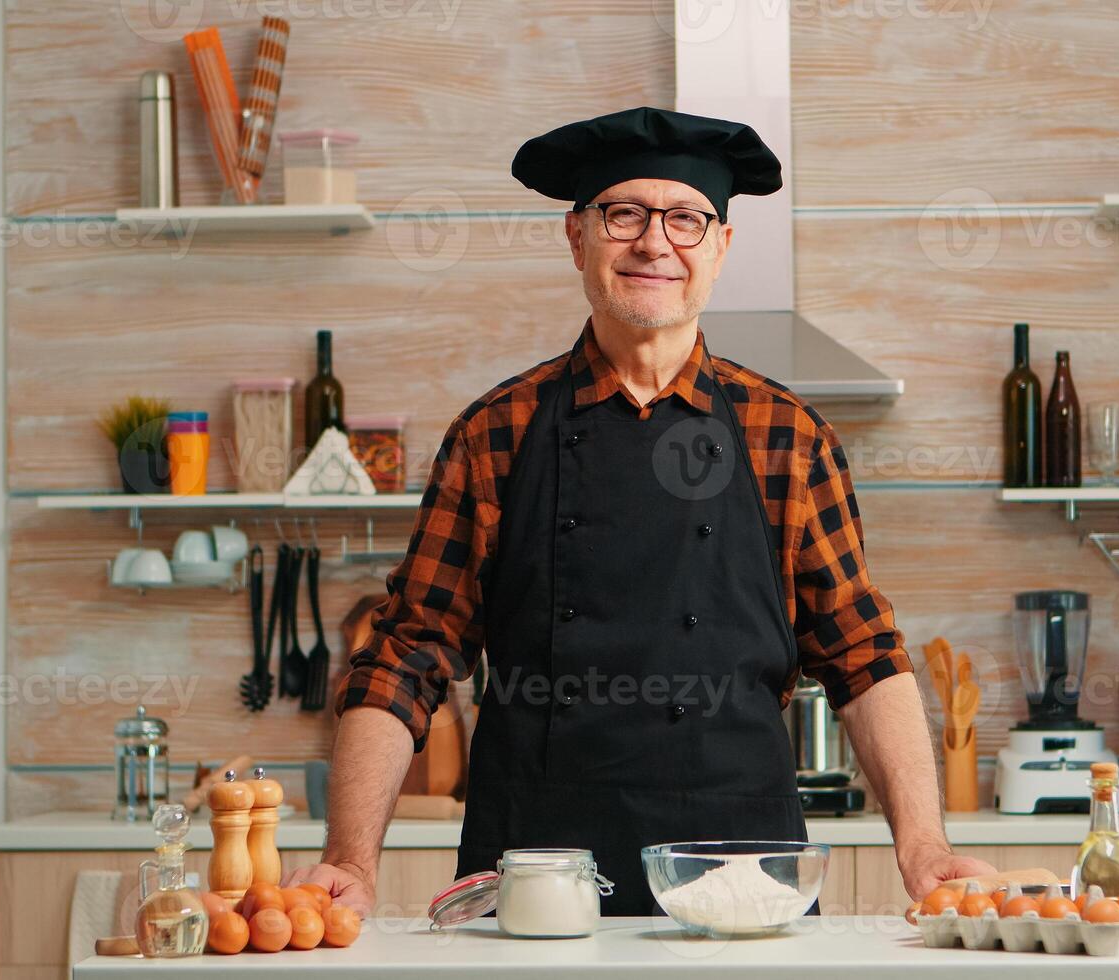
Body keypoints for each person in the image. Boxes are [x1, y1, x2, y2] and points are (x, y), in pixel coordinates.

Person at [288, 106, 995, 915]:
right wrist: (349, 857)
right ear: (577, 236)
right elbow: (406, 656)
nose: (655, 242)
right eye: (624, 213)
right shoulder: (495, 434)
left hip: (744, 879)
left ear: (721, 247)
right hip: (537, 876)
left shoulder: (788, 437)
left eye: (687, 218)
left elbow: (864, 656)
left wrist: (926, 846)